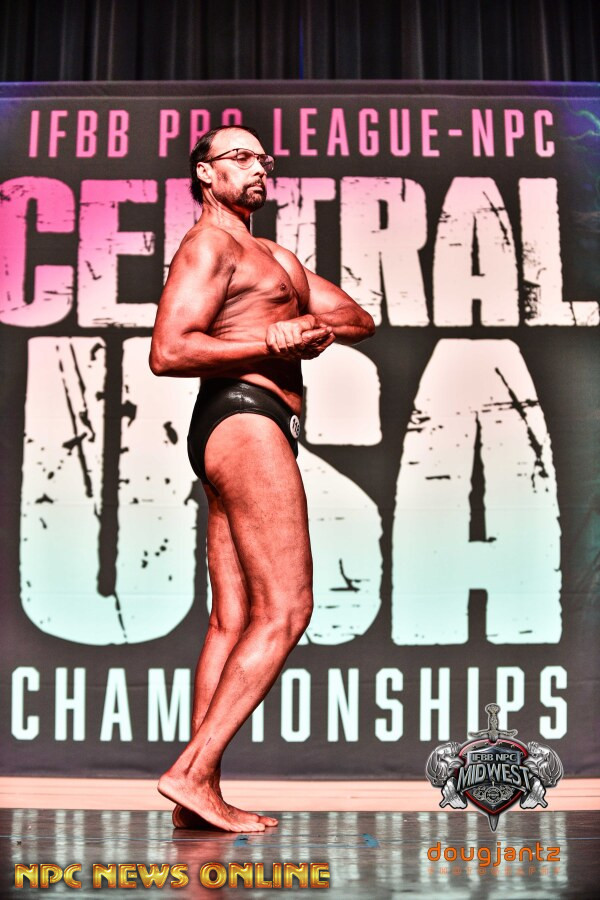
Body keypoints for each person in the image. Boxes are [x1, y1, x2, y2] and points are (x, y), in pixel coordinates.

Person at [150, 124, 375, 832]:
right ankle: (191, 773)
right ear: (204, 172)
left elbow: (357, 318)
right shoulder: (209, 245)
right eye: (239, 157)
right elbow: (168, 350)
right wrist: (267, 339)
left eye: (263, 158)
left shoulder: (274, 256)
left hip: (239, 424)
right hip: (243, 419)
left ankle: (197, 797)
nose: (258, 167)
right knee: (287, 609)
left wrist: (308, 326)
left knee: (233, 618)